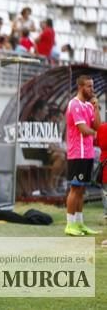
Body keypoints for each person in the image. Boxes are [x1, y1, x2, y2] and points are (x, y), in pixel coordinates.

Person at [64, 75, 101, 236]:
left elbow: (97, 125)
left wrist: (96, 108)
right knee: (75, 188)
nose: (92, 90)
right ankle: (70, 225)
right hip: (76, 153)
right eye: (89, 86)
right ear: (80, 87)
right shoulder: (74, 104)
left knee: (81, 190)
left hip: (88, 153)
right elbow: (85, 130)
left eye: (92, 86)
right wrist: (95, 134)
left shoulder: (87, 105)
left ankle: (79, 223)